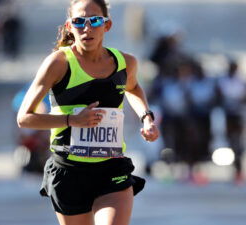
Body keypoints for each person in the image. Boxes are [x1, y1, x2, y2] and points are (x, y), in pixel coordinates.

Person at [16, 0, 159, 224]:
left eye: (94, 20)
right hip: (69, 171)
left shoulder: (125, 62)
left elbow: (133, 88)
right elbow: (24, 118)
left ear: (107, 25)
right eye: (79, 21)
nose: (87, 27)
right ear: (69, 26)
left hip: (111, 167)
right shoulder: (59, 63)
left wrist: (146, 118)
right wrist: (72, 120)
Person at [217, 59, 246, 186]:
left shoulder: (243, 81)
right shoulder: (222, 81)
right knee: (230, 143)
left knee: (239, 144)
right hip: (227, 116)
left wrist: (244, 98)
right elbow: (216, 97)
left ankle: (239, 171)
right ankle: (234, 169)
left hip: (239, 116)